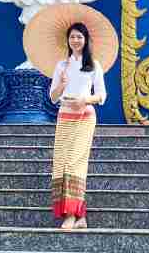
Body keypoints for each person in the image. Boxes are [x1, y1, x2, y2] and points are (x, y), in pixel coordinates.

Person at [47, 21, 106, 230]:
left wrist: (86, 100)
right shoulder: (61, 66)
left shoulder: (94, 65)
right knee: (62, 164)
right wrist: (61, 85)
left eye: (79, 37)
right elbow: (53, 97)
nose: (76, 40)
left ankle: (70, 215)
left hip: (84, 116)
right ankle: (80, 216)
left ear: (85, 40)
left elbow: (102, 95)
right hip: (64, 116)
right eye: (72, 37)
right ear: (68, 40)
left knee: (74, 163)